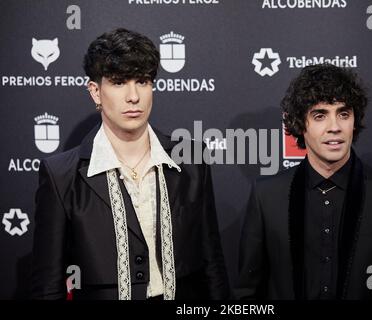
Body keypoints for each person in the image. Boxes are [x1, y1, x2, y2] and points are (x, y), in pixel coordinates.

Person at [31, 28, 230, 300]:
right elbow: (48, 286)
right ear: (95, 92)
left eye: (143, 81)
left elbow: (212, 264)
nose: (133, 96)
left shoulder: (192, 159)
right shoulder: (61, 175)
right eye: (119, 82)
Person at [235, 64, 372, 299]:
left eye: (343, 114)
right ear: (300, 124)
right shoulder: (267, 196)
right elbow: (248, 293)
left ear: (354, 121)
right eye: (320, 115)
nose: (334, 127)